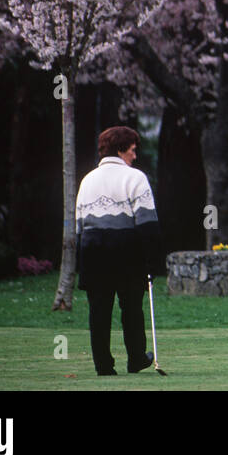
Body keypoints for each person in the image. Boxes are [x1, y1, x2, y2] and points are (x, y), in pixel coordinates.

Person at [76, 126, 163, 376]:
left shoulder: (87, 180)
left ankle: (103, 365)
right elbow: (147, 224)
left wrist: (80, 264)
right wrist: (153, 261)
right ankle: (136, 358)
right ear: (121, 150)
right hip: (127, 251)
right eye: (133, 150)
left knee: (99, 311)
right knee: (132, 308)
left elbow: (80, 227)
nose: (135, 156)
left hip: (93, 251)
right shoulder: (135, 178)